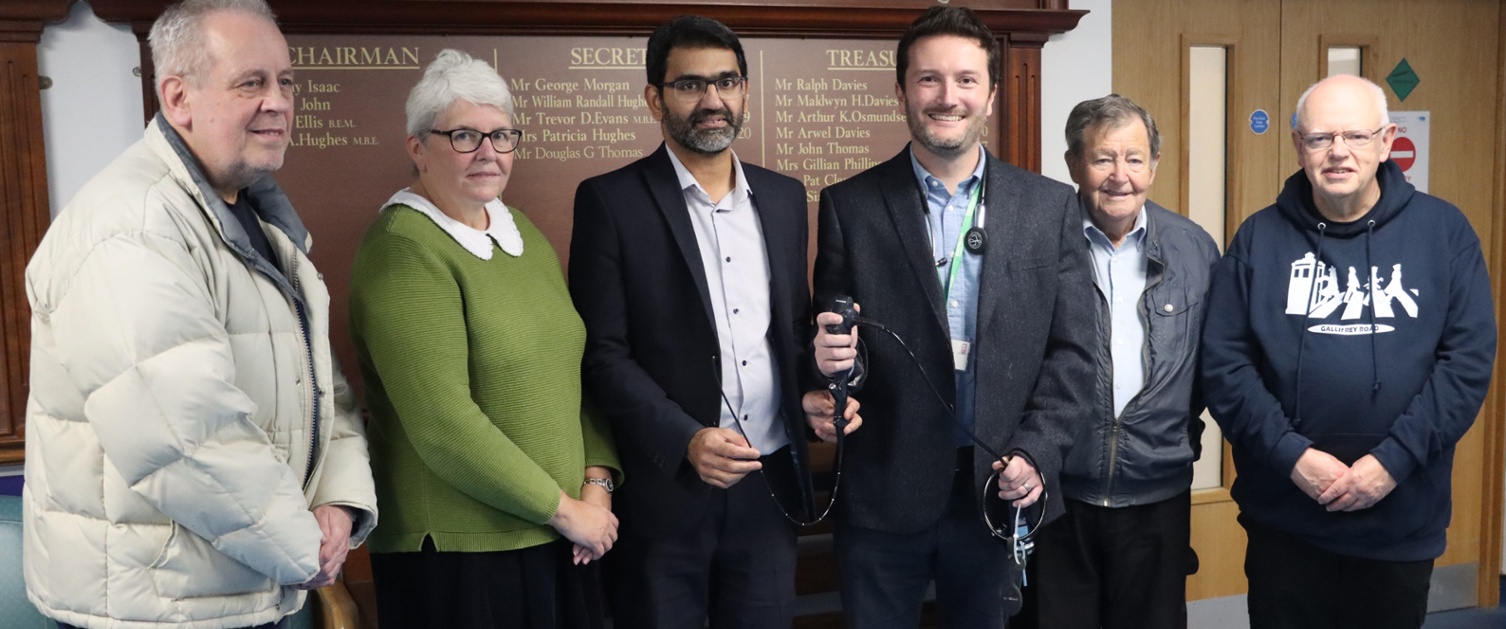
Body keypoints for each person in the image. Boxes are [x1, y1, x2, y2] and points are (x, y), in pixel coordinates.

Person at [21, 1, 379, 627]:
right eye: (251, 82)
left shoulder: (259, 216)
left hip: (241, 587)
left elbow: (325, 388)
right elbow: (183, 438)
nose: (279, 101)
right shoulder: (129, 226)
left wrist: (339, 506)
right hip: (152, 610)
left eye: (285, 80)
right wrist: (301, 545)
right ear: (178, 97)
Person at [809, 6, 1096, 628]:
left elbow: (1075, 353)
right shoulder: (850, 206)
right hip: (883, 492)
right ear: (902, 91)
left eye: (966, 80)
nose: (948, 97)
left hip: (999, 485)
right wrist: (836, 369)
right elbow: (837, 346)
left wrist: (1038, 450)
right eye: (929, 79)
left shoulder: (1050, 208)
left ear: (991, 94)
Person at [570, 15, 845, 629]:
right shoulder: (610, 201)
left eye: (727, 82)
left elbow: (792, 333)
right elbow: (603, 355)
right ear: (654, 98)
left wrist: (811, 394)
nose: (713, 101)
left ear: (746, 90)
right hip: (668, 492)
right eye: (691, 85)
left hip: (769, 486)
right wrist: (685, 438)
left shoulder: (782, 198)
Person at [1202, 74, 1496, 629]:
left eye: (1356, 136)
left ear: (1386, 142)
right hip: (1286, 520)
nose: (1338, 151)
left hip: (1400, 518)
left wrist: (1391, 462)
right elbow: (1226, 366)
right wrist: (1292, 457)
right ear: (1297, 146)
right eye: (1320, 138)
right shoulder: (1259, 239)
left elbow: (1466, 364)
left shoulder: (1444, 233)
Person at [348, 49, 620, 629]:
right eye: (465, 135)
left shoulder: (520, 230)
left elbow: (574, 367)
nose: (488, 153)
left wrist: (596, 485)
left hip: (563, 536)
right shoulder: (404, 248)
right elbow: (445, 427)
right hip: (461, 554)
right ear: (418, 147)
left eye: (502, 135)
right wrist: (564, 509)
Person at [1015, 95, 1219, 629]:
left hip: (1158, 497)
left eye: (1134, 158)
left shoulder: (1195, 249)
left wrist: (1180, 443)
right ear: (1074, 165)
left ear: (1154, 164)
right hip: (1059, 497)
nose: (1119, 176)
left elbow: (1211, 370)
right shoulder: (1038, 243)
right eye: (1103, 158)